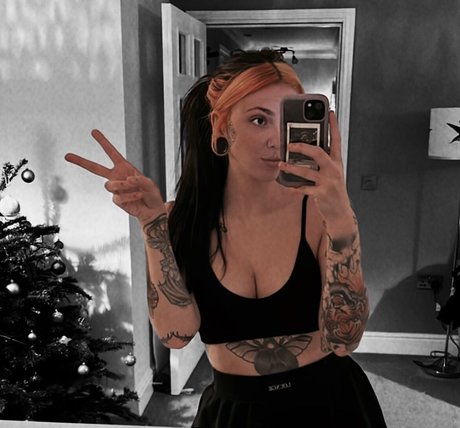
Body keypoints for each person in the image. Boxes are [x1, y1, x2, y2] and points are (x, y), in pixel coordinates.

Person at [65, 49, 387, 427]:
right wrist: (152, 222)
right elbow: (176, 334)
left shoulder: (320, 212)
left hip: (331, 405)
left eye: (285, 120)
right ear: (220, 126)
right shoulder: (183, 219)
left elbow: (345, 340)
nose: (276, 139)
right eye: (258, 119)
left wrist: (342, 220)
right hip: (234, 411)